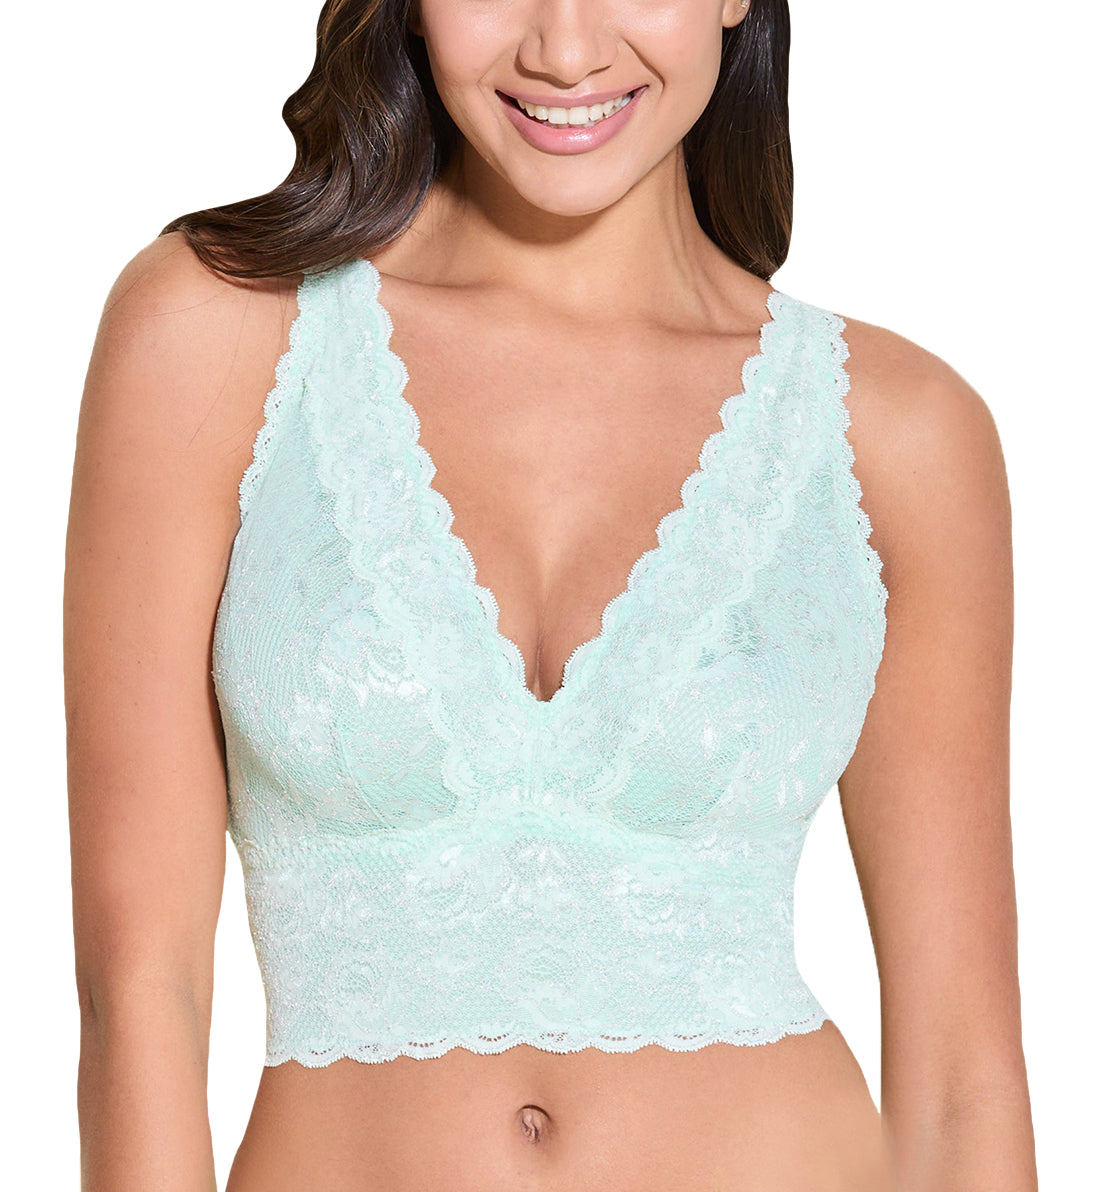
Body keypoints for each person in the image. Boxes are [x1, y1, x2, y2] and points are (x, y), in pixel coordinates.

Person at [64, 1, 1038, 1188]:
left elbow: (959, 1083)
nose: (564, 50)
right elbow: (138, 991)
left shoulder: (897, 433)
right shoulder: (216, 334)